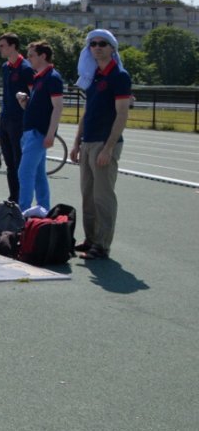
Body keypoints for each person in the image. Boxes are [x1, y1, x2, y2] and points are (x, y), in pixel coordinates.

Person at [70, 29, 132, 260]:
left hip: (105, 143)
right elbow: (88, 112)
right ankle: (91, 239)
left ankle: (102, 244)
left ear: (112, 48)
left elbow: (122, 114)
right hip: (88, 142)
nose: (97, 47)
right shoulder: (93, 75)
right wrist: (77, 142)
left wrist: (108, 147)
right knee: (87, 195)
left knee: (103, 196)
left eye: (102, 44)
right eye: (93, 44)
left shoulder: (119, 76)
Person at [15, 41, 65, 212]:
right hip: (31, 131)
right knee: (38, 175)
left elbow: (58, 106)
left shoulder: (52, 77)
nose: (28, 59)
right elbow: (39, 106)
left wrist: (51, 134)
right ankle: (44, 209)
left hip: (38, 133)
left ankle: (23, 212)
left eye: (31, 55)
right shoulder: (39, 77)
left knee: (25, 172)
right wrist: (25, 102)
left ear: (43, 56)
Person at [0, 33, 36, 202]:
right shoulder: (6, 67)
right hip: (5, 120)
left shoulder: (26, 68)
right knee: (9, 164)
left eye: (2, 45)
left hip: (19, 121)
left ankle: (23, 199)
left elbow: (34, 93)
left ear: (13, 46)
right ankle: (13, 197)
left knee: (19, 162)